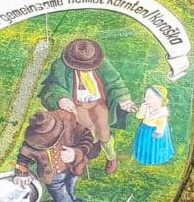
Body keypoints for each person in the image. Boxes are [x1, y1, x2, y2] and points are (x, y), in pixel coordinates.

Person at [39, 39, 136, 175]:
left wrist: (123, 99)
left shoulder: (102, 63)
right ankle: (84, 156)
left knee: (104, 131)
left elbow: (115, 82)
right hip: (77, 104)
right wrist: (61, 98)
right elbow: (53, 87)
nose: (84, 70)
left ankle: (112, 158)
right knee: (88, 130)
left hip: (98, 102)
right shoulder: (59, 66)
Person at [13, 110, 98, 202]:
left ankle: (72, 201)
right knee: (63, 200)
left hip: (72, 169)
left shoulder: (68, 122)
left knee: (70, 188)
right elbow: (23, 159)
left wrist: (76, 153)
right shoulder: (32, 142)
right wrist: (21, 173)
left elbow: (87, 136)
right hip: (53, 177)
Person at [133, 85, 174, 165]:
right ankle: (142, 157)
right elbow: (139, 116)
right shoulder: (147, 107)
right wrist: (142, 109)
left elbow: (162, 124)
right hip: (145, 129)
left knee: (155, 147)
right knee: (144, 145)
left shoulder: (162, 113)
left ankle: (157, 159)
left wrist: (158, 132)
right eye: (145, 96)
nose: (145, 99)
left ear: (159, 99)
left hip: (155, 132)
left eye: (149, 97)